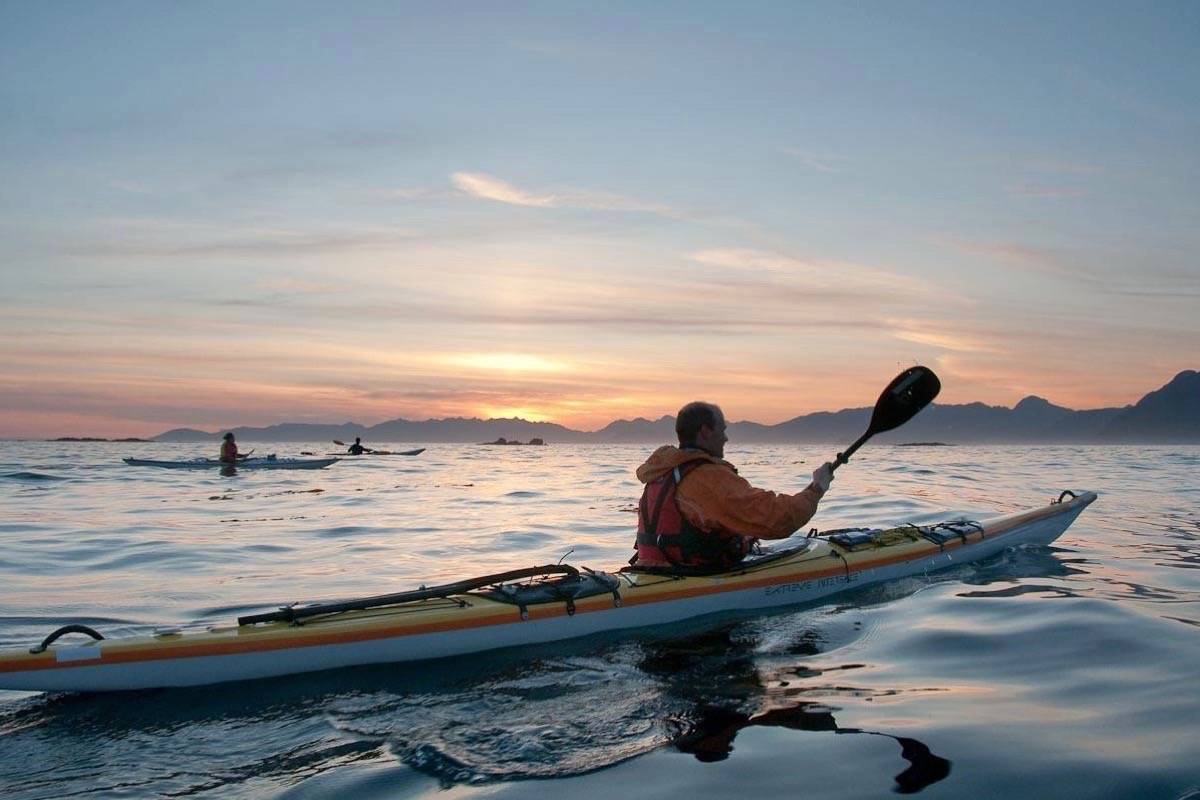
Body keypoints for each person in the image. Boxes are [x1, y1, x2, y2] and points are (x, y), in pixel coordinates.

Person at [633, 401, 834, 570]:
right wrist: (816, 489)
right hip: (691, 576)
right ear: (705, 431)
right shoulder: (706, 476)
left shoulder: (663, 471)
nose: (726, 438)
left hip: (652, 569)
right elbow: (775, 518)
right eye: (723, 430)